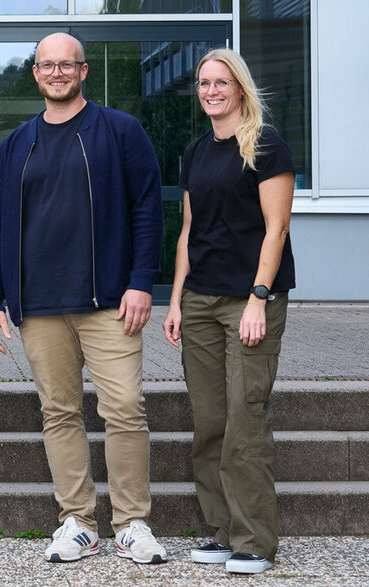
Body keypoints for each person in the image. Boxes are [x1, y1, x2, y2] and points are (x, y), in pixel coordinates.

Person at [0, 33, 167, 564]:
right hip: (38, 305)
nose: (57, 73)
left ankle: (131, 523)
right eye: (48, 65)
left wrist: (141, 281)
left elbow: (147, 210)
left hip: (109, 301)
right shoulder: (16, 144)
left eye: (67, 64)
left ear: (83, 71)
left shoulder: (120, 130)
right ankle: (78, 522)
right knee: (59, 412)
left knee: (124, 408)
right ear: (35, 73)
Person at [162, 48, 295, 575]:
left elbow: (276, 229)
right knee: (210, 423)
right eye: (204, 83)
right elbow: (188, 231)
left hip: (249, 300)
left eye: (221, 82)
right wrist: (176, 299)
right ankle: (221, 531)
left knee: (245, 420)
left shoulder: (265, 146)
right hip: (200, 299)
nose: (211, 91)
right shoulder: (196, 152)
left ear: (239, 87)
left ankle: (254, 541)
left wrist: (259, 297)